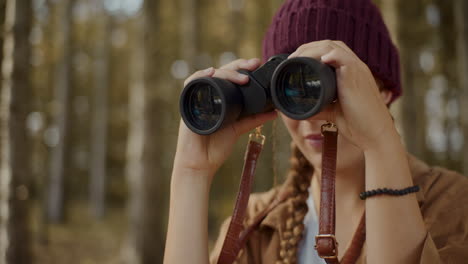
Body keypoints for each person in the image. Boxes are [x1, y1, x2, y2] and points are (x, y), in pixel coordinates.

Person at [163, 0, 468, 263]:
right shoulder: (257, 220)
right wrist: (191, 173)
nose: (310, 114)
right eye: (289, 89)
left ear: (383, 92)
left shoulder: (454, 203)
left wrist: (380, 143)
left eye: (323, 84)